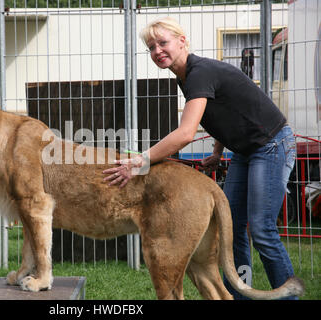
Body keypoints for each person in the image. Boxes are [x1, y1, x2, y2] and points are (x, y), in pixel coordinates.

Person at [102, 16, 297, 300]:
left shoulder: (199, 72)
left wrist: (139, 162)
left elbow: (185, 134)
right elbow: (225, 111)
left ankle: (290, 298)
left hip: (272, 145)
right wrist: (217, 152)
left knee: (262, 230)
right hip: (245, 151)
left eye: (163, 43)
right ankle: (239, 297)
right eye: (151, 47)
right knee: (231, 230)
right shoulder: (186, 77)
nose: (157, 51)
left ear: (183, 41)